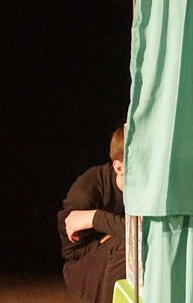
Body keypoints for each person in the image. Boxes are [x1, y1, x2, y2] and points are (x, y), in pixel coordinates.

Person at [57, 124, 126, 303]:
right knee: (128, 244)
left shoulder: (152, 192)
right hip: (82, 270)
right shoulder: (86, 191)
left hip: (117, 257)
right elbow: (73, 253)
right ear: (119, 168)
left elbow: (149, 232)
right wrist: (112, 229)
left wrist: (96, 218)